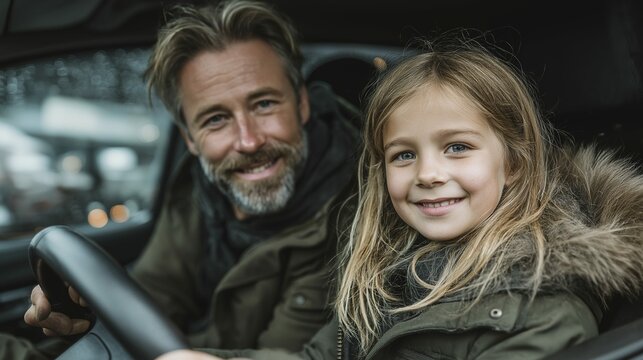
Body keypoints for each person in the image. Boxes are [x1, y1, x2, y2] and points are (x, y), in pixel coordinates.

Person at [165, 39, 643, 359]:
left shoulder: (543, 314)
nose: (429, 174)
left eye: (457, 148)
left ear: (514, 163)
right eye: (403, 155)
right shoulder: (391, 272)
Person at [14, 0, 360, 358]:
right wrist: (89, 316)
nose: (249, 140)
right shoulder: (201, 189)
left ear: (302, 103)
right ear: (190, 140)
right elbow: (153, 298)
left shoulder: (356, 218)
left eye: (264, 104)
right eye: (215, 120)